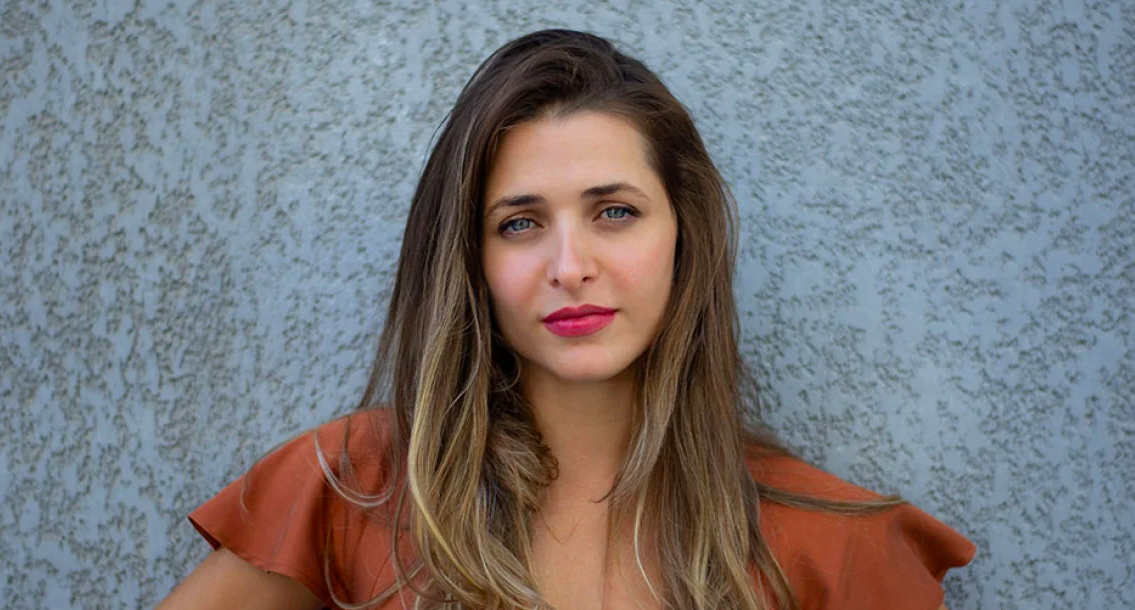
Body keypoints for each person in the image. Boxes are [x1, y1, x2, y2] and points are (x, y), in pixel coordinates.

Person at [157, 29, 975, 610]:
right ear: (469, 260)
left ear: (683, 235)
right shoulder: (348, 489)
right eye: (519, 223)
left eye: (614, 212)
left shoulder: (836, 546)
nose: (569, 265)